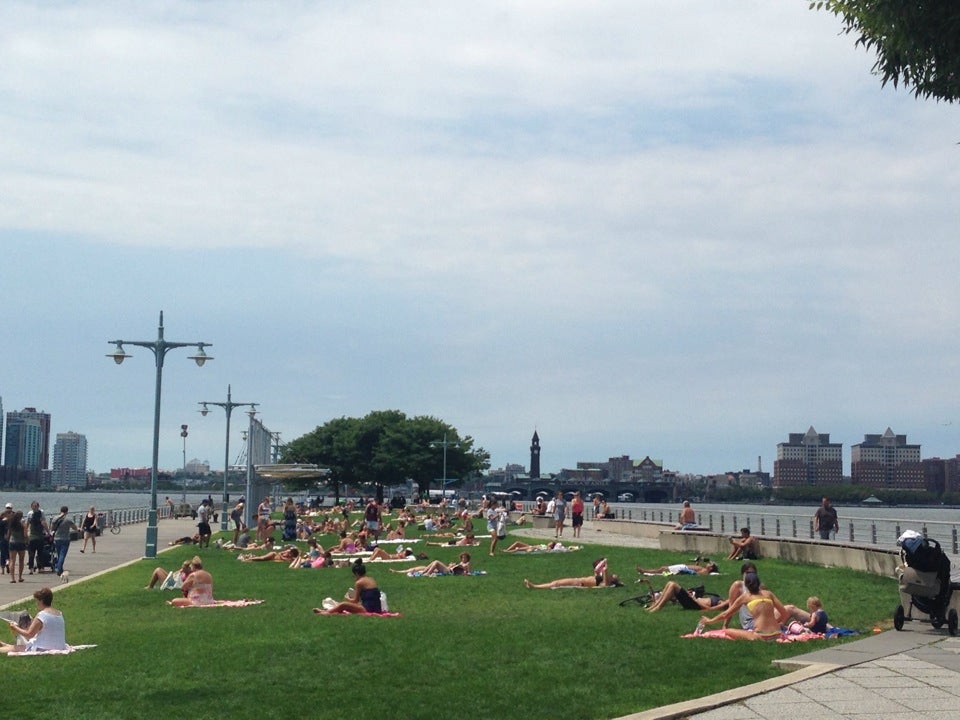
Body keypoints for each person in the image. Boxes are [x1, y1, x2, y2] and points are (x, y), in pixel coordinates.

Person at [699, 572, 789, 640]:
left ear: (746, 584)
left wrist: (709, 621)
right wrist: (779, 624)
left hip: (761, 635)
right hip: (777, 633)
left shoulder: (746, 597)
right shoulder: (769, 594)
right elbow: (784, 613)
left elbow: (726, 614)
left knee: (727, 631)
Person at [0, 588, 66, 653]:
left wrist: (15, 627)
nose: (36, 603)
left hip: (44, 647)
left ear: (41, 601)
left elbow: (29, 634)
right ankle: (4, 644)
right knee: (16, 647)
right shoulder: (59, 613)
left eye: (37, 601)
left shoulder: (42, 615)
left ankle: (5, 645)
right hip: (59, 646)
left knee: (14, 648)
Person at [314, 558, 383, 614]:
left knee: (343, 604)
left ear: (356, 573)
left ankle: (326, 612)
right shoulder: (371, 579)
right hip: (377, 608)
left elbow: (355, 601)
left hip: (368, 609)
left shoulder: (359, 583)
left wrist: (347, 598)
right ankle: (328, 611)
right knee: (343, 605)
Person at [524, 558, 623, 589]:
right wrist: (603, 564)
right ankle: (534, 586)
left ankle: (535, 586)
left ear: (612, 580)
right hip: (578, 580)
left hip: (578, 582)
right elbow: (596, 572)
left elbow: (604, 584)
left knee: (556, 583)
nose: (613, 574)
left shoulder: (604, 582)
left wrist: (605, 570)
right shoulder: (601, 578)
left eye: (613, 576)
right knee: (556, 582)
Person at [644, 580, 728, 613]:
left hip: (694, 605)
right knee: (670, 583)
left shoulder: (723, 604)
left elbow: (709, 609)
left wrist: (694, 599)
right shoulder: (723, 600)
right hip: (693, 601)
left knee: (673, 585)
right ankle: (655, 605)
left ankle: (658, 607)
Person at [50, 506, 78, 576]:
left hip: (57, 538)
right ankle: (59, 569)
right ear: (67, 511)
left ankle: (60, 568)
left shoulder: (55, 518)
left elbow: (52, 528)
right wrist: (78, 529)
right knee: (62, 554)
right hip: (65, 539)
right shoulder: (68, 519)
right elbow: (74, 528)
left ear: (60, 510)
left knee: (59, 554)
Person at [398, 552, 473, 576]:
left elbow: (468, 572)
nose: (463, 559)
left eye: (465, 558)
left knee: (436, 561)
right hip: (448, 569)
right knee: (433, 563)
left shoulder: (467, 563)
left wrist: (465, 572)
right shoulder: (461, 563)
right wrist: (452, 565)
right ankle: (425, 572)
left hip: (450, 572)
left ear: (467, 558)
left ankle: (427, 573)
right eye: (462, 557)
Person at [25, 501, 48, 574]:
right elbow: (44, 523)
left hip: (32, 537)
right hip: (40, 537)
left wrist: (25, 535)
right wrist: (48, 532)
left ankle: (31, 568)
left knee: (31, 553)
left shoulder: (29, 514)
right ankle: (40, 568)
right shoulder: (42, 513)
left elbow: (27, 524)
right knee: (40, 553)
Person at [6, 510, 26, 583]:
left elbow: (8, 534)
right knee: (21, 560)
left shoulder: (11, 523)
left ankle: (12, 578)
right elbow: (25, 534)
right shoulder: (22, 523)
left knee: (12, 560)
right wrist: (27, 540)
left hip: (12, 542)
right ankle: (20, 577)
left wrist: (7, 540)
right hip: (21, 542)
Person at [636, 561, 719, 576]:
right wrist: (697, 564)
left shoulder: (705, 571)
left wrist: (686, 571)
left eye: (709, 564)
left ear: (711, 568)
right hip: (683, 566)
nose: (707, 564)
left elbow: (695, 574)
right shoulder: (704, 569)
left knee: (662, 569)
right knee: (663, 569)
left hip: (683, 568)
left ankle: (645, 571)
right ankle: (646, 571)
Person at [0, 503, 11, 576]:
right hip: (8, 538)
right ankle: (7, 561)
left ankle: (2, 569)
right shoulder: (10, 519)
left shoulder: (1, 520)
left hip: (1, 538)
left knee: (2, 553)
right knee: (7, 552)